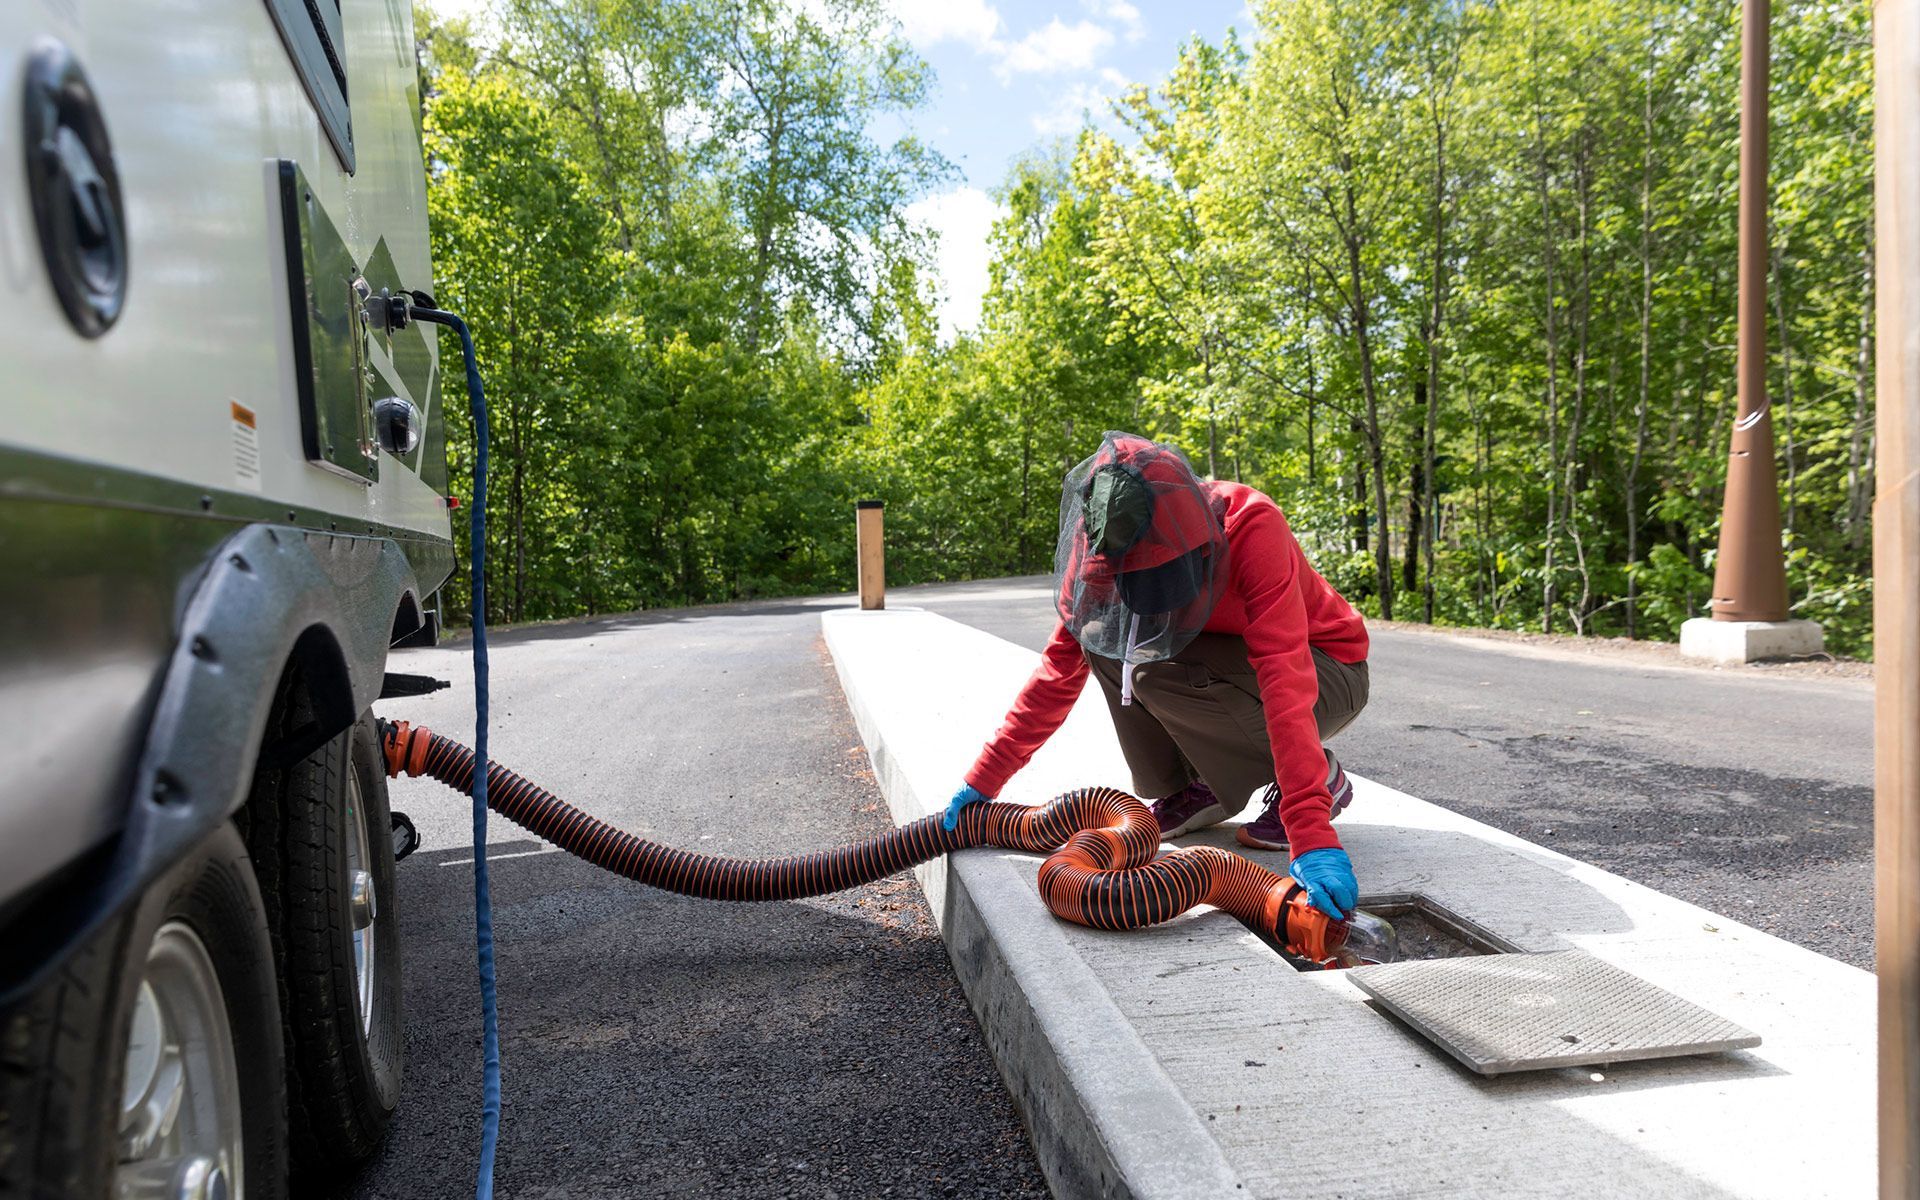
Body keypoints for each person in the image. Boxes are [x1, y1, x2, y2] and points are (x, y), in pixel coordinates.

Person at [942, 431, 1371, 918]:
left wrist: (1310, 830)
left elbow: (1284, 674)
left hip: (1328, 670)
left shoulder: (1251, 524)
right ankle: (1196, 786)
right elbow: (1058, 669)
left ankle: (1322, 779)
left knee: (1153, 672)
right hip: (1235, 665)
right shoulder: (1098, 543)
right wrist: (985, 778)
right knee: (1103, 639)